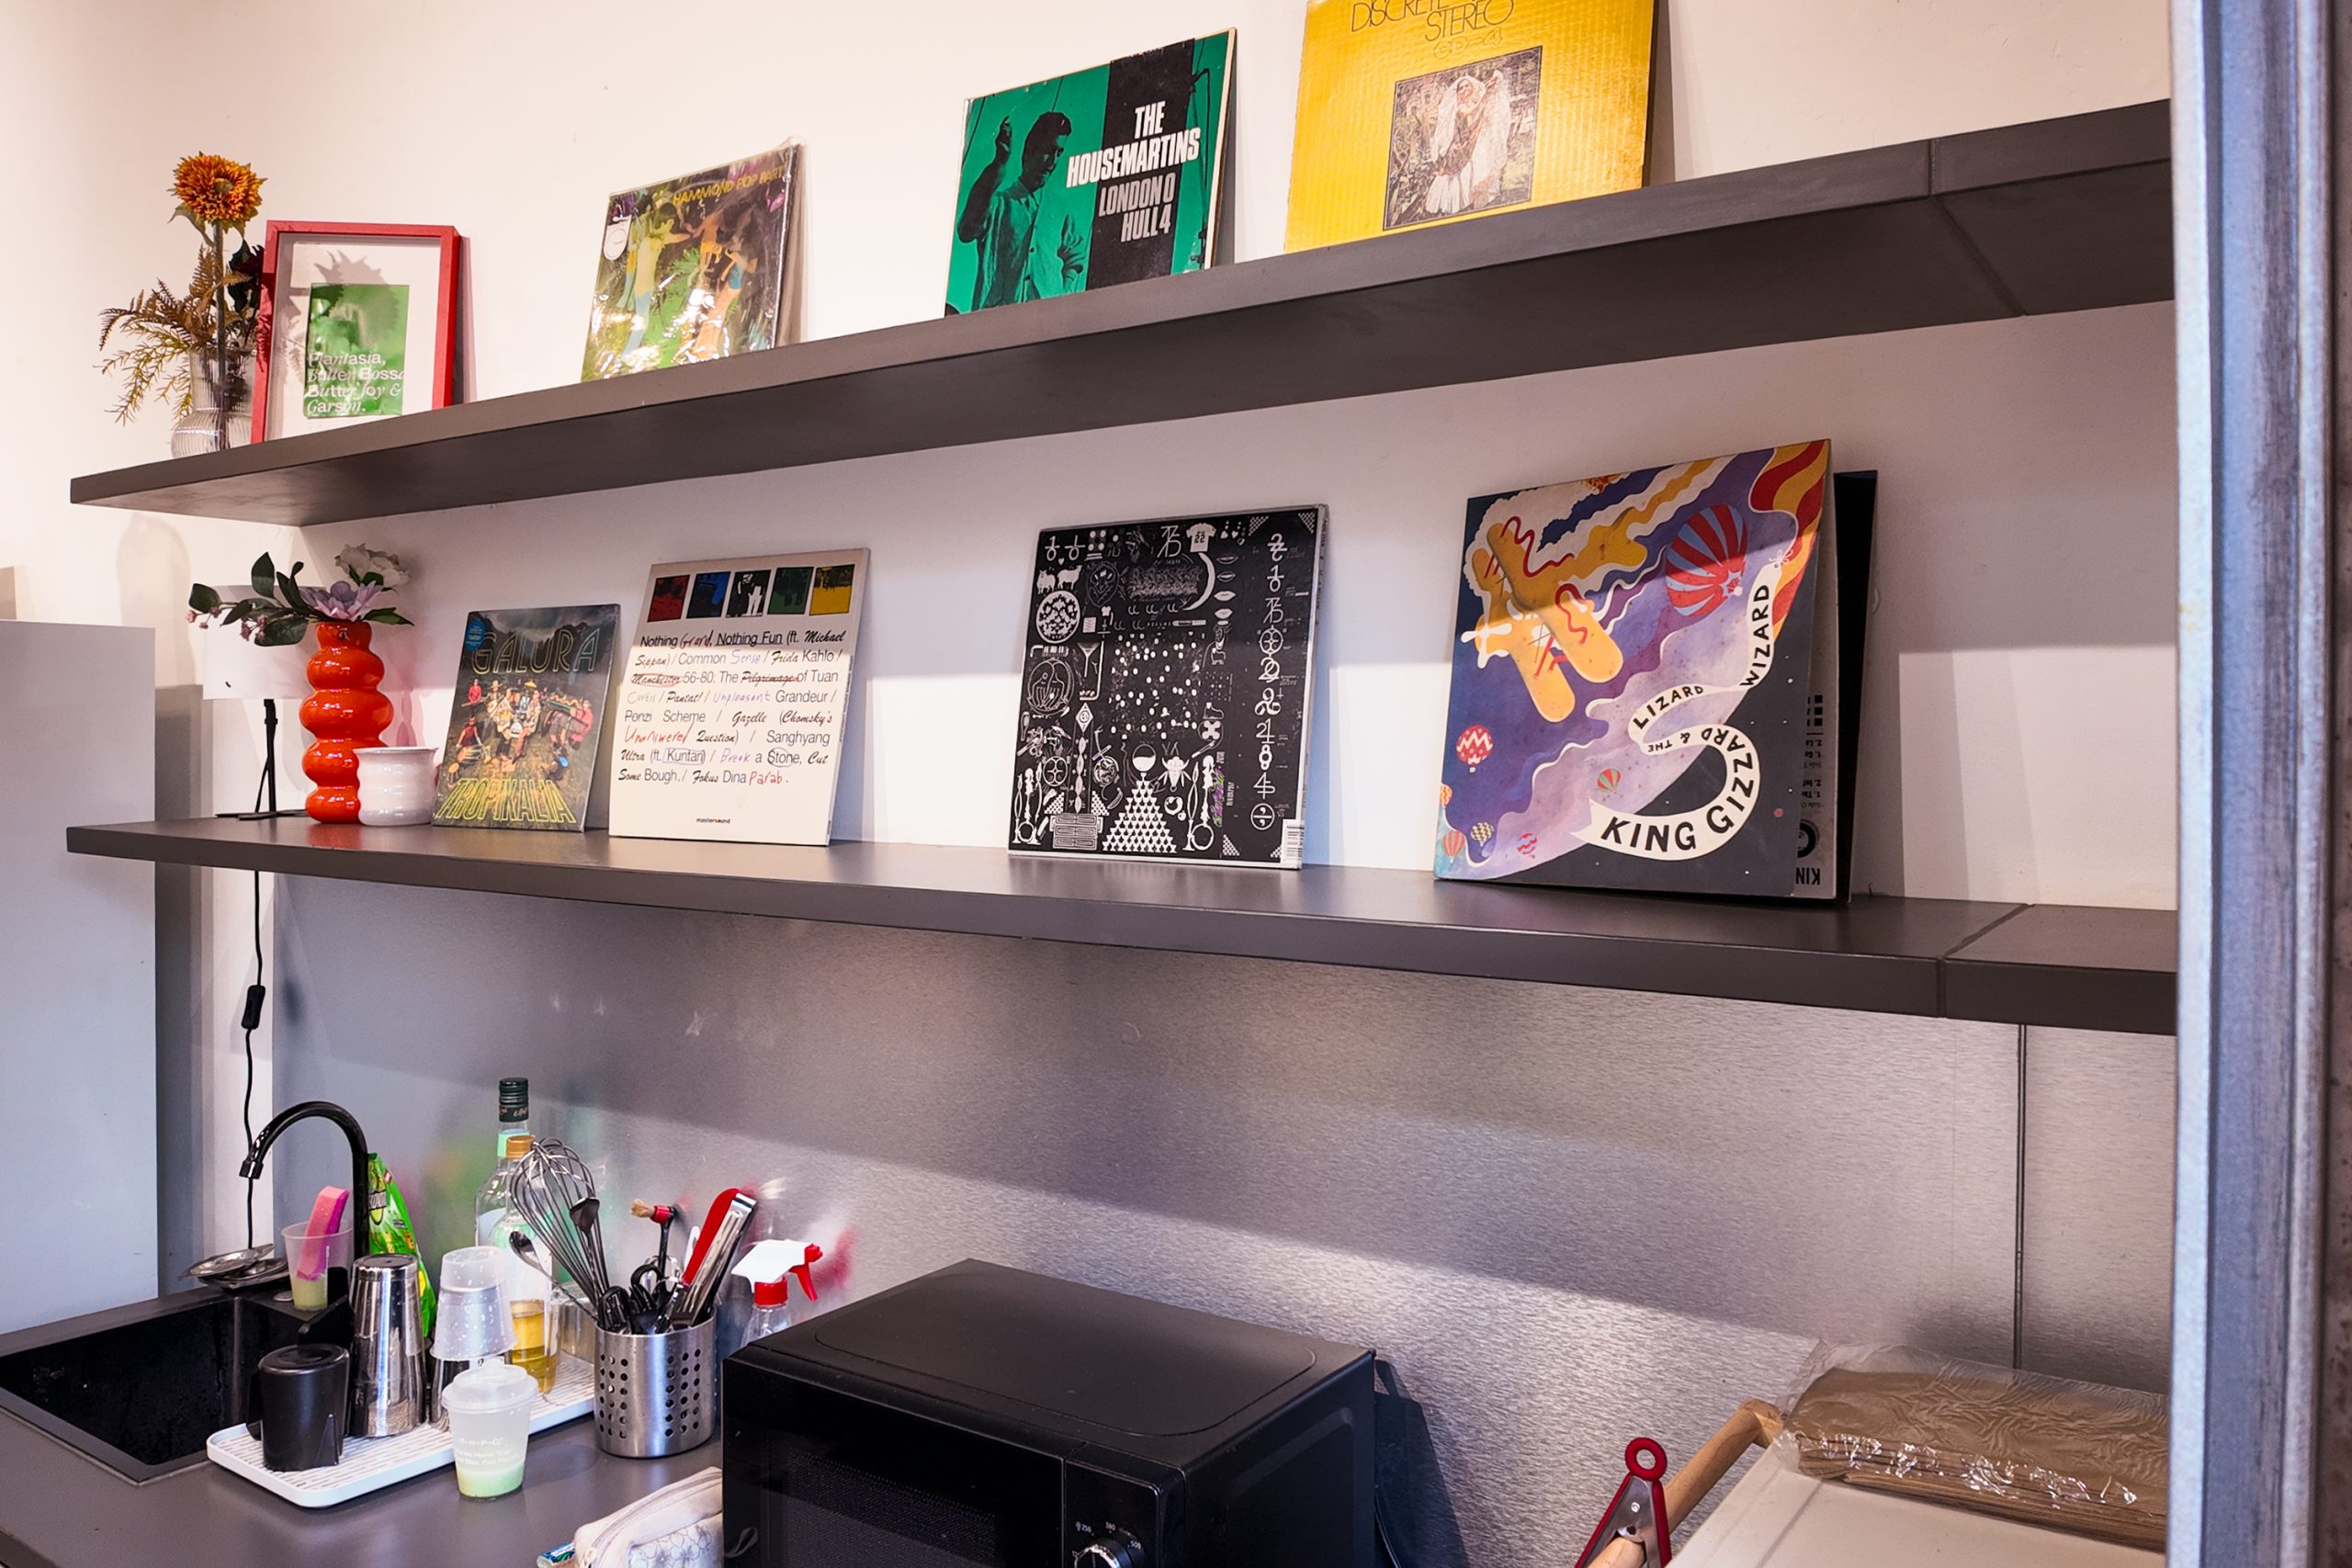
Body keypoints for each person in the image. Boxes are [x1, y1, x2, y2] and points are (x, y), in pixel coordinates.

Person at [956, 110, 1086, 310]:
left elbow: (1076, 255)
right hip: (1000, 320)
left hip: (1047, 321)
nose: (1053, 161)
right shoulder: (998, 205)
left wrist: (1063, 292)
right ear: (1030, 150)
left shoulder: (1060, 209)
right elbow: (966, 231)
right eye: (1048, 150)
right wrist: (999, 163)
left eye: (1059, 153)